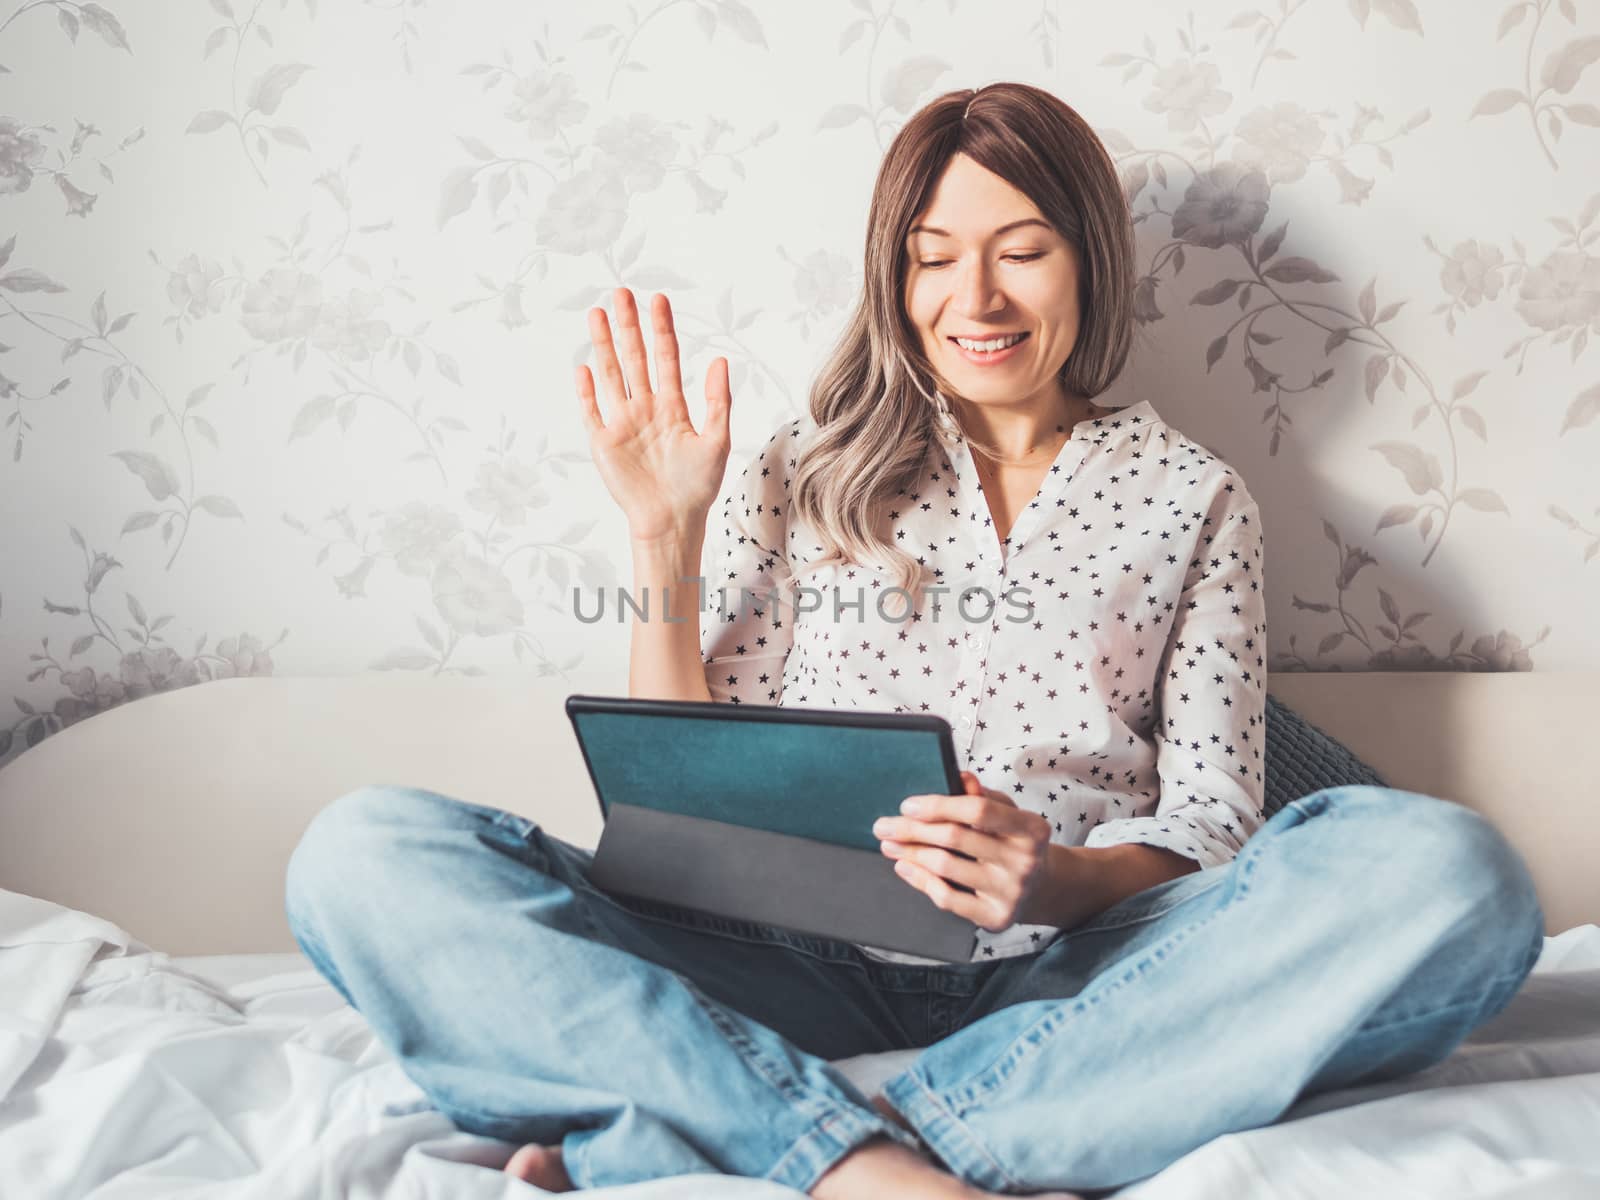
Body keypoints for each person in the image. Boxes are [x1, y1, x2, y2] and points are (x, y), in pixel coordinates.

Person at [284, 83, 1546, 1198]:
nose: (974, 299)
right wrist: (663, 532)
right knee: (363, 853)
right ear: (892, 274)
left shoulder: (1191, 495)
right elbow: (683, 786)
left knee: (1446, 872)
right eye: (932, 257)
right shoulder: (802, 467)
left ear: (1087, 262)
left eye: (1021, 251)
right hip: (780, 961)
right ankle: (866, 1162)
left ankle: (807, 1134)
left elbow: (1212, 827)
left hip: (1081, 981)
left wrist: (1053, 876)